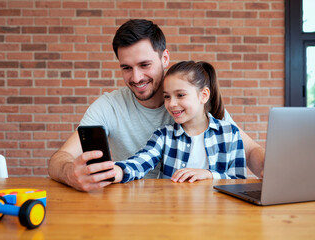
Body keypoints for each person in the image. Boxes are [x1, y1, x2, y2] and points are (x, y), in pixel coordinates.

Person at [48, 19, 264, 192]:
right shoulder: (110, 106)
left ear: (165, 58)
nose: (136, 77)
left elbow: (250, 152)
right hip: (138, 204)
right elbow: (60, 159)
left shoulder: (196, 102)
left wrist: (273, 168)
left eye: (144, 65)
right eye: (126, 68)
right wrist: (71, 174)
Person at [112, 61, 246, 184]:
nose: (172, 104)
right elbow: (141, 161)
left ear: (204, 95)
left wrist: (209, 175)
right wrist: (117, 171)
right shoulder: (164, 135)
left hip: (216, 209)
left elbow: (238, 180)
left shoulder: (230, 133)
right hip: (173, 208)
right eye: (167, 97)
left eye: (180, 95)